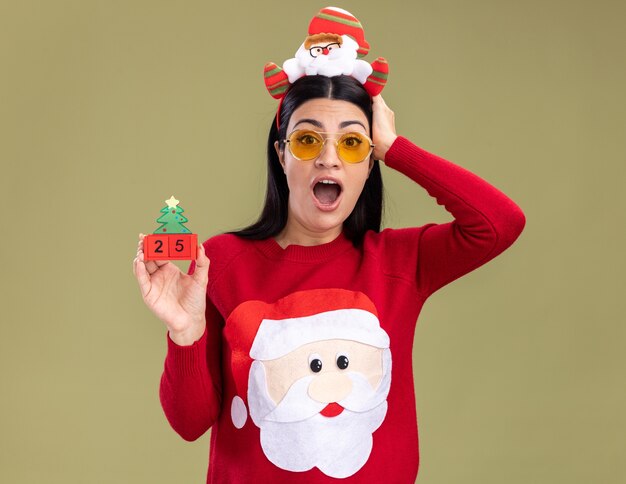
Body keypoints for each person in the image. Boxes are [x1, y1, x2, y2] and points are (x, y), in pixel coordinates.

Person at [133, 9, 526, 484]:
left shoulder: (400, 263)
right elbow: (189, 423)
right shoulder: (224, 262)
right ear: (281, 155)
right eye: (306, 140)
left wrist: (396, 147)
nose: (329, 159)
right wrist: (185, 330)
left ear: (370, 163)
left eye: (353, 145)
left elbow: (500, 223)